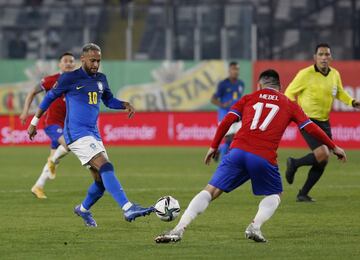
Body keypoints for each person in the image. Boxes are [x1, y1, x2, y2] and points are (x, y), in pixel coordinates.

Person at [154, 69, 346, 243]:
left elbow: (227, 121)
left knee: (211, 191)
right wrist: (333, 146)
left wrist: (213, 146)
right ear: (281, 87)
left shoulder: (249, 97)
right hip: (263, 157)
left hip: (237, 152)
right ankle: (255, 226)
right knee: (275, 194)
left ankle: (178, 229)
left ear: (259, 85)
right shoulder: (289, 104)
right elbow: (310, 128)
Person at [27, 43, 154, 226]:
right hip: (76, 133)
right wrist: (34, 122)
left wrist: (124, 104)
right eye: (92, 60)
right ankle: (127, 208)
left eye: (98, 61)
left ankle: (83, 209)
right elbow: (48, 97)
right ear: (83, 59)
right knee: (106, 166)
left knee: (101, 182)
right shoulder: (69, 78)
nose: (95, 64)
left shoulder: (101, 79)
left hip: (93, 133)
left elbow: (109, 100)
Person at [284, 43, 360, 202]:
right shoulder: (305, 74)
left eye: (327, 55)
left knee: (323, 160)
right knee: (323, 153)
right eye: (321, 54)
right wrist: (295, 112)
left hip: (324, 121)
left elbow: (339, 92)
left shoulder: (335, 74)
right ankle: (294, 163)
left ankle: (302, 193)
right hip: (307, 120)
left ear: (331, 57)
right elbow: (289, 93)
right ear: (315, 57)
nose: (324, 58)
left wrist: (352, 102)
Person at [20, 52, 76, 199]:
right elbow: (32, 91)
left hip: (67, 125)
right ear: (60, 64)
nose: (69, 63)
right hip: (52, 123)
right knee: (68, 145)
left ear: (75, 64)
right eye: (66, 61)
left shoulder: (78, 81)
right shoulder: (52, 80)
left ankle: (38, 186)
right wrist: (26, 111)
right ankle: (51, 161)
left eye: (71, 61)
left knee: (55, 160)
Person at [211, 61, 245, 160]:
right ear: (229, 71)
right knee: (228, 138)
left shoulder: (241, 84)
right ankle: (223, 163)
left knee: (238, 139)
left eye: (237, 69)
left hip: (237, 115)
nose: (236, 71)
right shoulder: (223, 84)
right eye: (234, 69)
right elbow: (213, 99)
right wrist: (222, 104)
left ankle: (220, 150)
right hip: (225, 115)